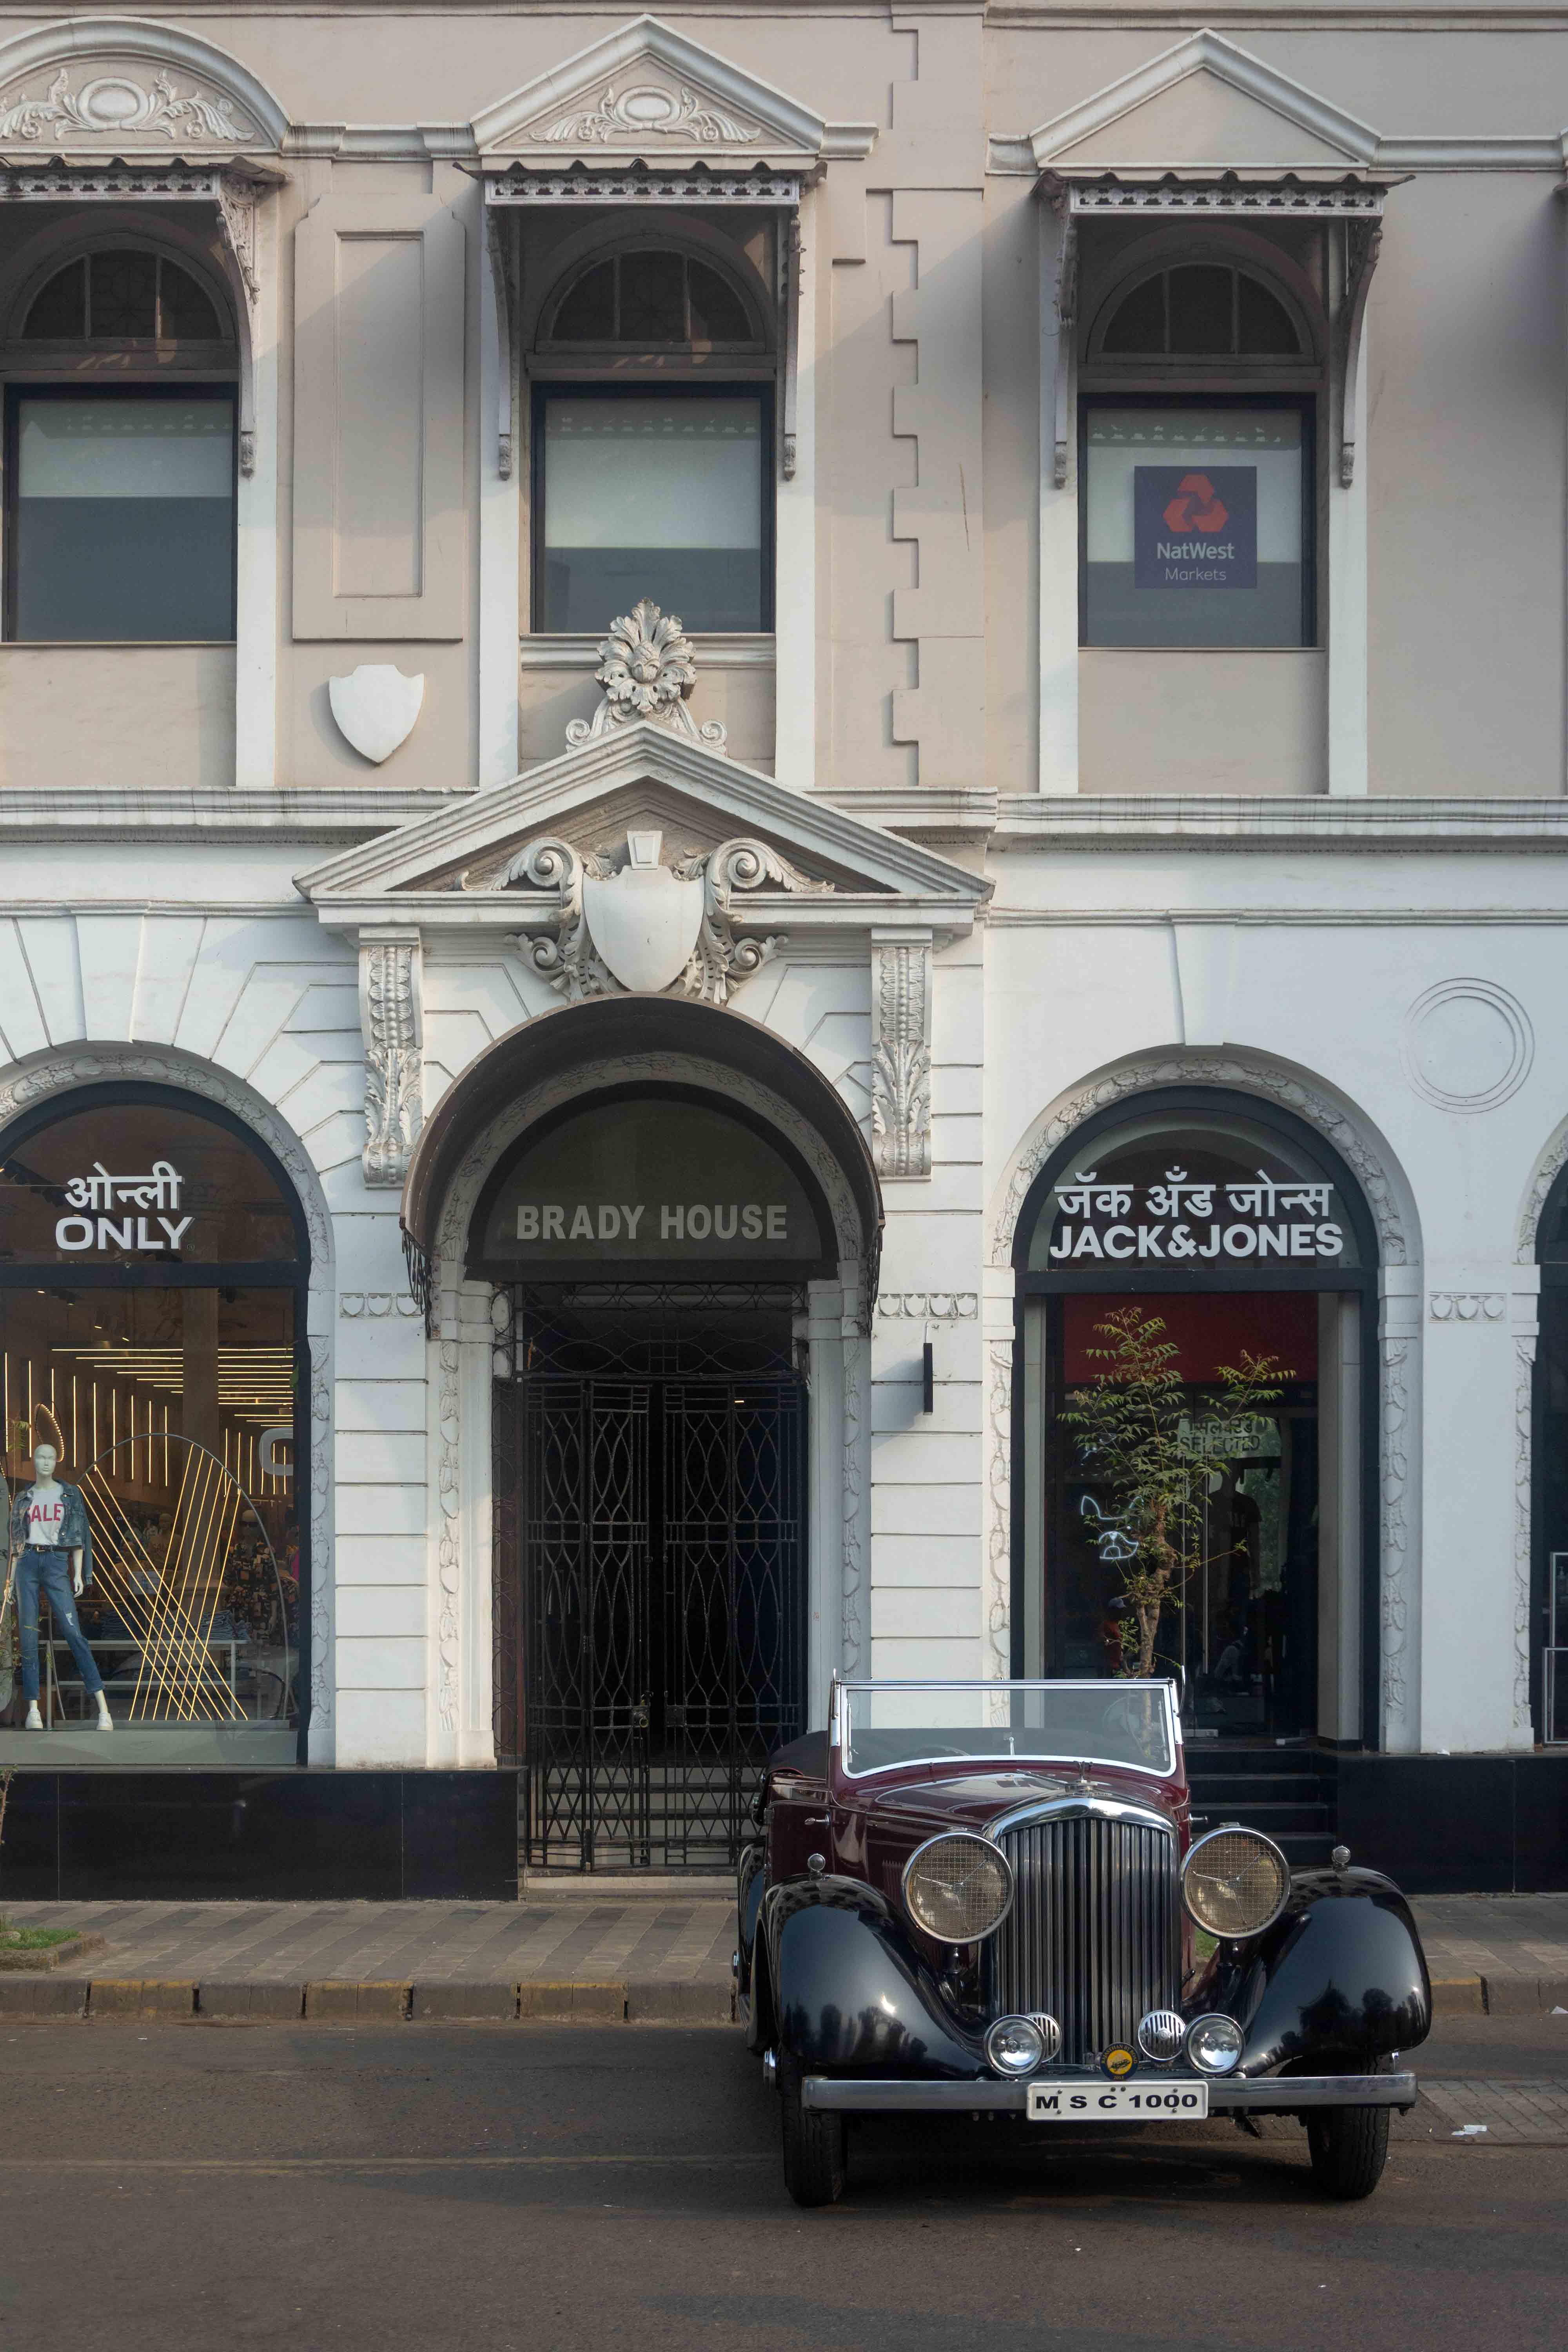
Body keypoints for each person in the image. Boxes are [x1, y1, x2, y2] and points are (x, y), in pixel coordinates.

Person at [5, 1443, 112, 1732]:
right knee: (28, 1635)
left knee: (73, 1632)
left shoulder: (70, 1494)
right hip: (27, 1562)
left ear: (56, 1462)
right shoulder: (24, 1497)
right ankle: (33, 1709)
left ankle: (103, 1708)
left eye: (51, 1458)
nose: (46, 1462)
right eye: (41, 1457)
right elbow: (16, 1542)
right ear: (34, 1461)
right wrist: (9, 1581)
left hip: (56, 1562)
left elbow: (78, 1536)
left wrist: (79, 1573)